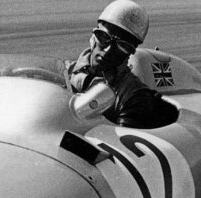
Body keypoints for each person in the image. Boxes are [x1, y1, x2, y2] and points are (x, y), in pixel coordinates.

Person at [68, 0, 160, 128]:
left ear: (131, 51)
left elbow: (122, 144)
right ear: (94, 35)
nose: (107, 51)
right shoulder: (63, 71)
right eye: (104, 37)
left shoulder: (134, 97)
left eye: (122, 46)